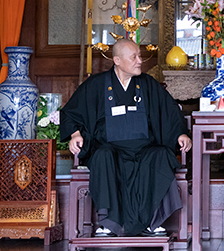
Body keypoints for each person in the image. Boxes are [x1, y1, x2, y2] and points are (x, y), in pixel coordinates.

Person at [61, 39, 192, 237]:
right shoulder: (97, 85)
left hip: (144, 148)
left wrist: (180, 133)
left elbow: (169, 111)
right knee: (102, 156)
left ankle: (152, 221)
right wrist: (75, 134)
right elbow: (71, 112)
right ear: (117, 60)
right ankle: (109, 222)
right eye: (134, 57)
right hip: (109, 148)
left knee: (161, 155)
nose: (140, 61)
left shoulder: (147, 84)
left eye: (140, 56)